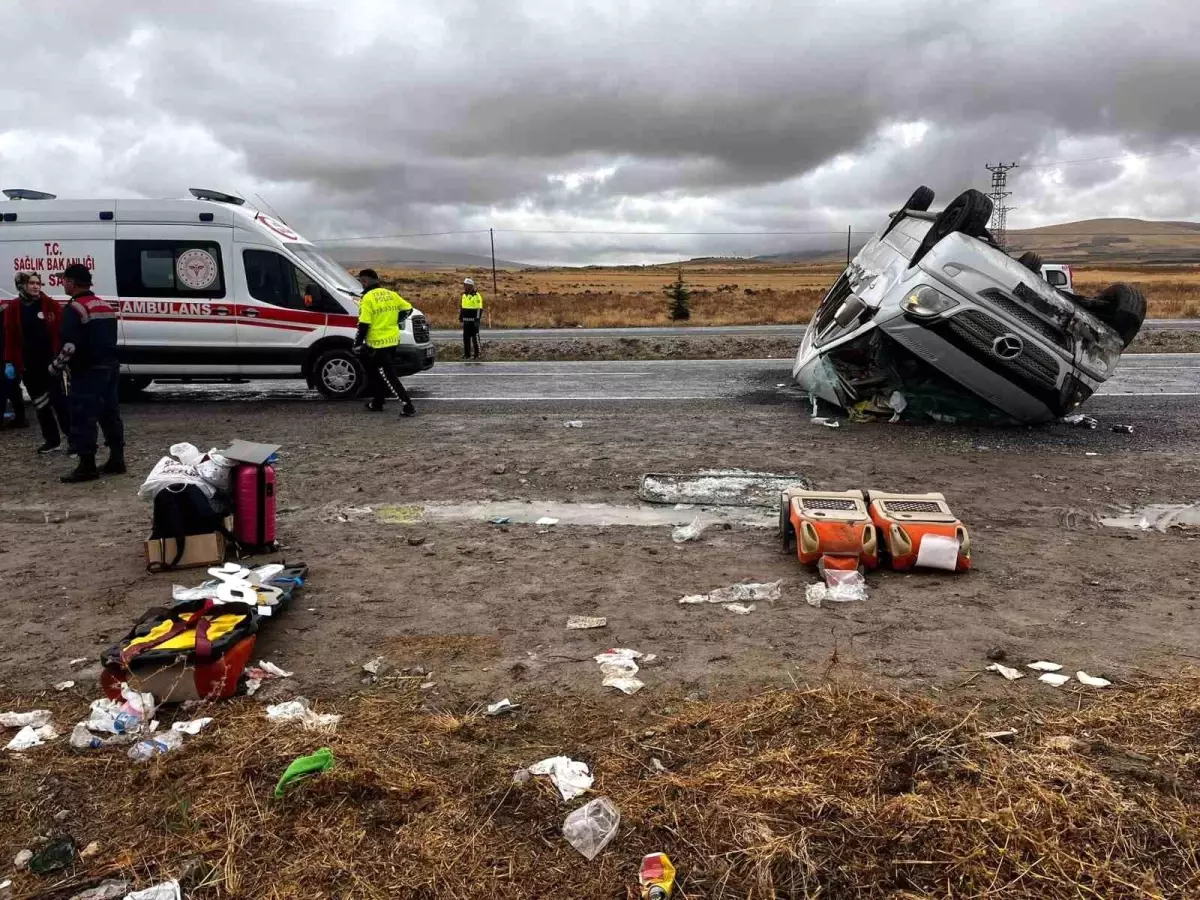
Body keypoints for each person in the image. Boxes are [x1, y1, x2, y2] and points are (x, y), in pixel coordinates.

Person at [51, 263, 125, 483]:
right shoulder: (104, 306)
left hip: (87, 371)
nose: (62, 283)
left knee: (83, 417)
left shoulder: (75, 309)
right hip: (110, 367)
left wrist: (55, 367)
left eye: (64, 280)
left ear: (72, 283)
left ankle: (87, 466)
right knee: (110, 414)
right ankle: (117, 459)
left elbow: (70, 347)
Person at [4, 272, 71, 452]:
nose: (35, 286)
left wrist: (62, 359)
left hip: (51, 364)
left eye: (38, 283)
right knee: (41, 404)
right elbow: (10, 336)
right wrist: (9, 361)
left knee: (59, 402)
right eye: (31, 283)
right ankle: (52, 441)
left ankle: (74, 441)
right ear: (21, 285)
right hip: (28, 365)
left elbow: (62, 331)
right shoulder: (13, 308)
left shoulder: (50, 305)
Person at [354, 269, 416, 417]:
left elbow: (364, 324)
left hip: (377, 343)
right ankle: (377, 402)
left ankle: (408, 405)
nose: (361, 284)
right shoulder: (391, 294)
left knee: (388, 375)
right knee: (374, 372)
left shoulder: (367, 298)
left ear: (365, 281)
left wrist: (357, 343)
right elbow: (408, 309)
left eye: (361, 281)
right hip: (392, 339)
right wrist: (394, 320)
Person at [459, 277, 484, 360]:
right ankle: (467, 354)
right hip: (466, 318)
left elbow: (479, 309)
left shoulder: (476, 296)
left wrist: (477, 319)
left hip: (474, 319)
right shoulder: (464, 295)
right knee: (466, 337)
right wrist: (461, 317)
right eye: (464, 285)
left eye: (466, 285)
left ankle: (477, 354)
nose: (464, 286)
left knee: (475, 336)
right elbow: (462, 307)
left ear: (470, 286)